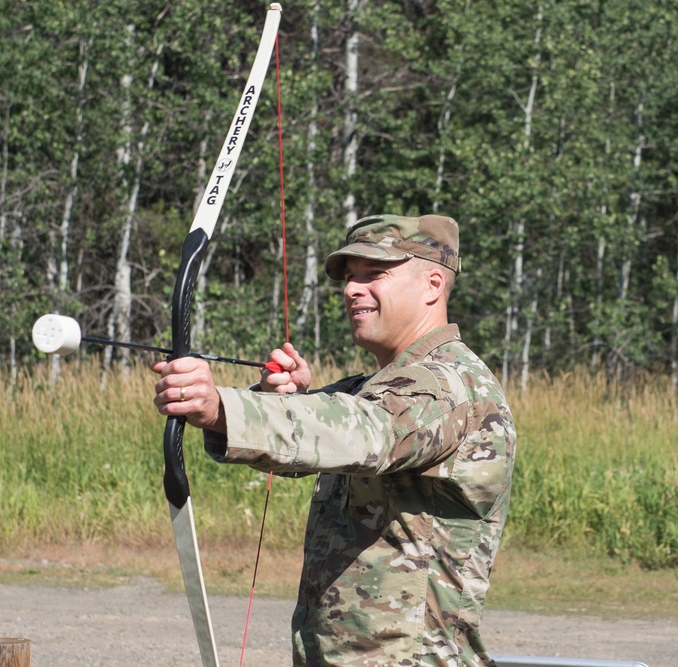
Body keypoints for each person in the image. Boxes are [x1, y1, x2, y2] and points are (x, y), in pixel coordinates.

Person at [153, 214, 517, 666]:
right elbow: (305, 448)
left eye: (373, 273)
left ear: (433, 284)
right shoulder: (375, 387)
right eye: (348, 278)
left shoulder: (447, 386)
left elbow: (368, 433)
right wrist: (275, 401)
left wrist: (219, 406)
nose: (351, 289)